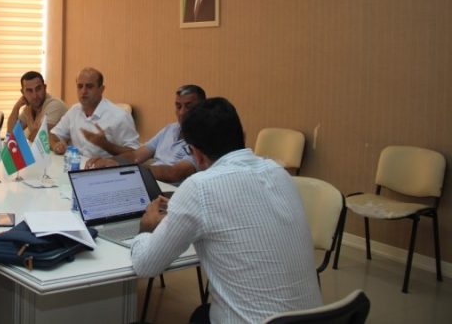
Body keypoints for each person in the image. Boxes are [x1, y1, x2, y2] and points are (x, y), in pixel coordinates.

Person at [130, 98, 321, 323]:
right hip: (317, 320)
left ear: (196, 154)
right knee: (201, 314)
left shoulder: (199, 187)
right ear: (243, 136)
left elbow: (146, 265)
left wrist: (147, 227)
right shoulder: (279, 173)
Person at [85, 85, 204, 185]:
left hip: (171, 194)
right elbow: (136, 155)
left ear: (201, 107)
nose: (182, 112)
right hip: (148, 183)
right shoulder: (170, 129)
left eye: (189, 107)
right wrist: (107, 161)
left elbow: (173, 174)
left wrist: (122, 167)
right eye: (178, 106)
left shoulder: (203, 138)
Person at [49, 67, 139, 159]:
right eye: (80, 86)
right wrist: (56, 145)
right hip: (75, 165)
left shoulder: (120, 116)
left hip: (104, 167)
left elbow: (135, 154)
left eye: (89, 86)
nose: (83, 91)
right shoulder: (74, 110)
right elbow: (53, 135)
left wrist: (106, 145)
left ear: (101, 89)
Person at [6, 71, 68, 141]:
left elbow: (37, 138)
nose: (35, 96)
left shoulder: (54, 106)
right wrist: (17, 106)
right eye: (29, 91)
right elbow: (11, 134)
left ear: (44, 88)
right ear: (23, 93)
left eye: (38, 89)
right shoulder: (29, 108)